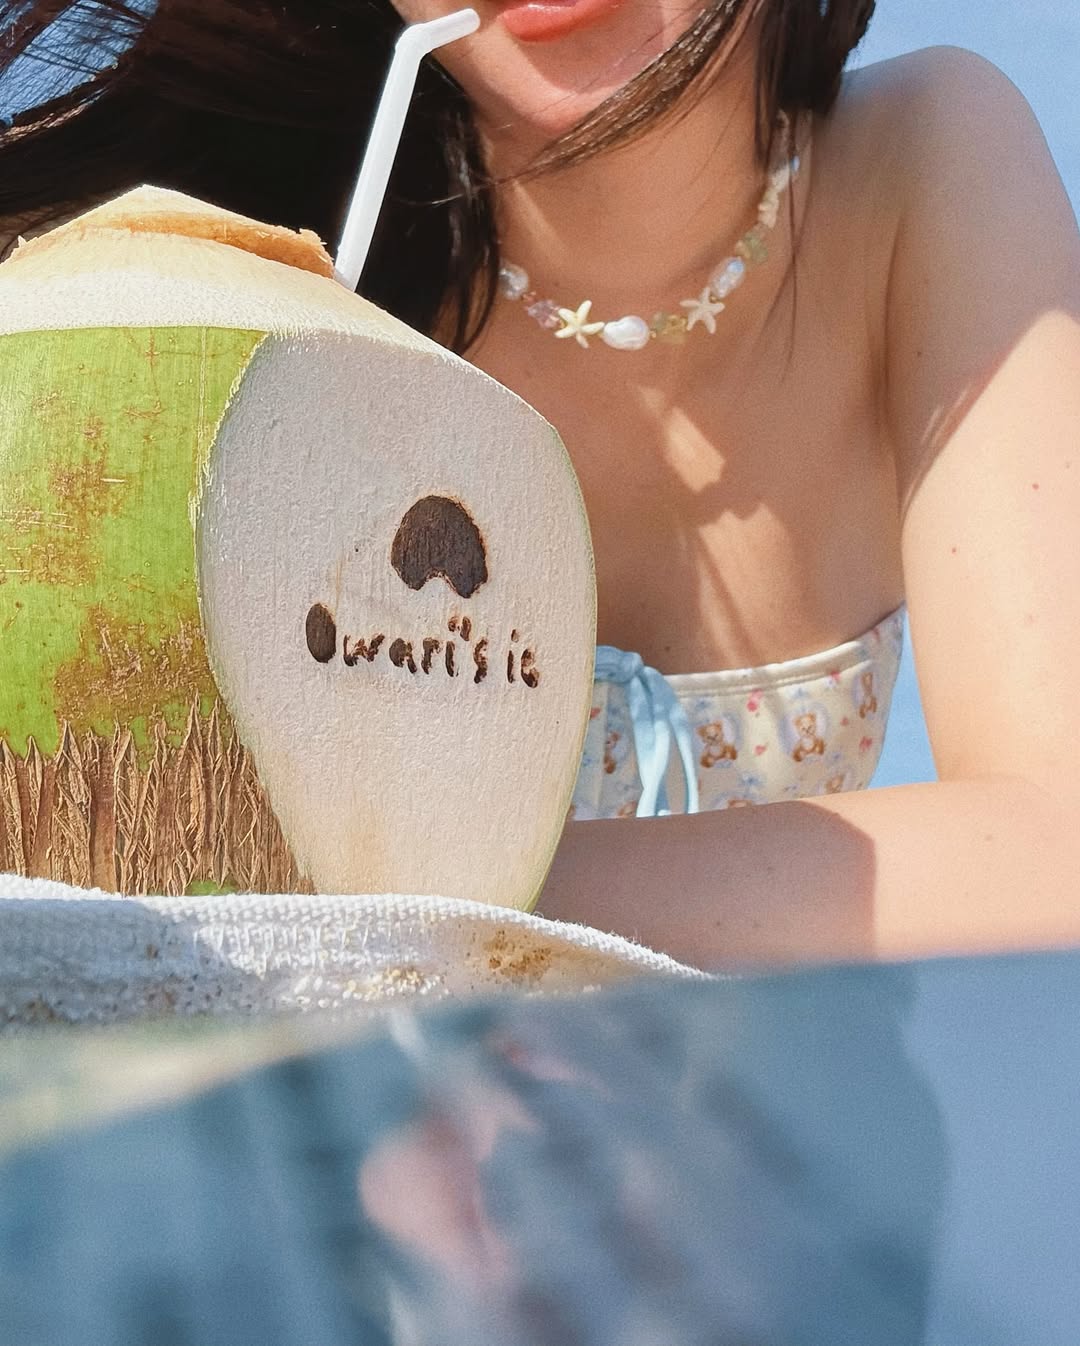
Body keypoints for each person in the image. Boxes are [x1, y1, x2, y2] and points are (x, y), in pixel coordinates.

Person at [2, 0, 1079, 971]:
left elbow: (1055, 844)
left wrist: (370, 905)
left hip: (755, 1123)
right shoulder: (204, 288)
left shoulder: (919, 160)